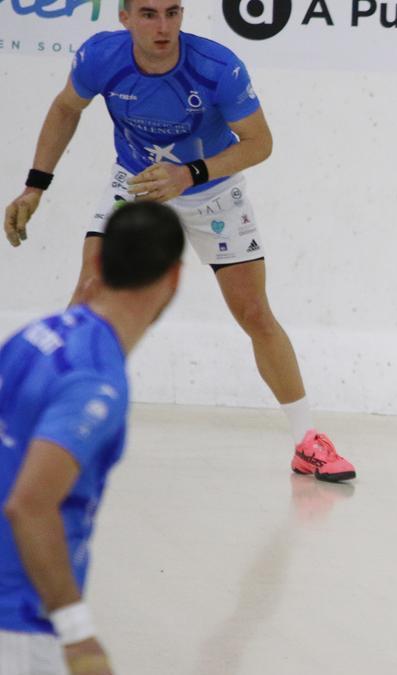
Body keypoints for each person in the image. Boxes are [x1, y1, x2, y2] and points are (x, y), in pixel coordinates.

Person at [2, 0, 354, 482]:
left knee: (253, 312)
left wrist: (189, 174)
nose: (162, 26)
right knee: (88, 294)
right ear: (124, 17)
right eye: (148, 14)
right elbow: (67, 106)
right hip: (136, 183)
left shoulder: (218, 67)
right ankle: (48, 431)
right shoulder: (100, 57)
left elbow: (259, 142)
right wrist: (35, 185)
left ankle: (307, 440)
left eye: (172, 12)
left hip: (211, 190)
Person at [0, 202, 183, 675]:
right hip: (19, 624)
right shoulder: (97, 382)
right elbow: (30, 504)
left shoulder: (35, 335)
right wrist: (78, 634)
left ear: (97, 262)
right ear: (174, 279)